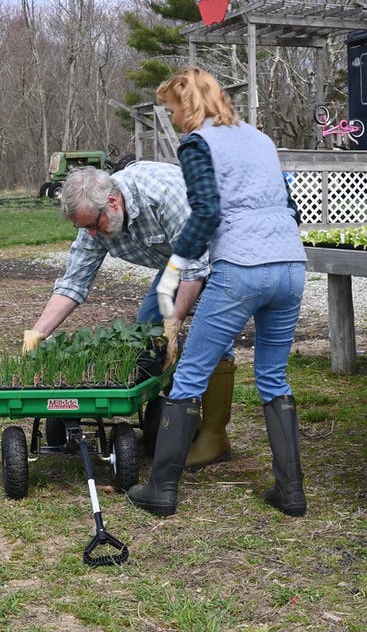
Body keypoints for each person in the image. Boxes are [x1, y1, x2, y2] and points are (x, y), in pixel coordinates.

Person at [128, 67, 307, 519]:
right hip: (291, 265)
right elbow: (291, 207)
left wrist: (173, 270)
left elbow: (205, 213)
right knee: (273, 378)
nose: (170, 119)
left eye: (171, 108)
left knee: (189, 376)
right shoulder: (260, 140)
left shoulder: (197, 144)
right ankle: (291, 494)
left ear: (188, 104)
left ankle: (161, 490)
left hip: (241, 268)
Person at [22, 161, 235, 469]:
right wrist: (38, 332)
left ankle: (216, 437)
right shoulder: (94, 219)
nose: (92, 234)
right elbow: (73, 283)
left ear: (112, 201)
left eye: (94, 225)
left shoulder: (163, 196)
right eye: (85, 228)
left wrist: (174, 322)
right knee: (147, 331)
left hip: (222, 251)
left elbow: (196, 271)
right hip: (177, 262)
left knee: (212, 338)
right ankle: (186, 420)